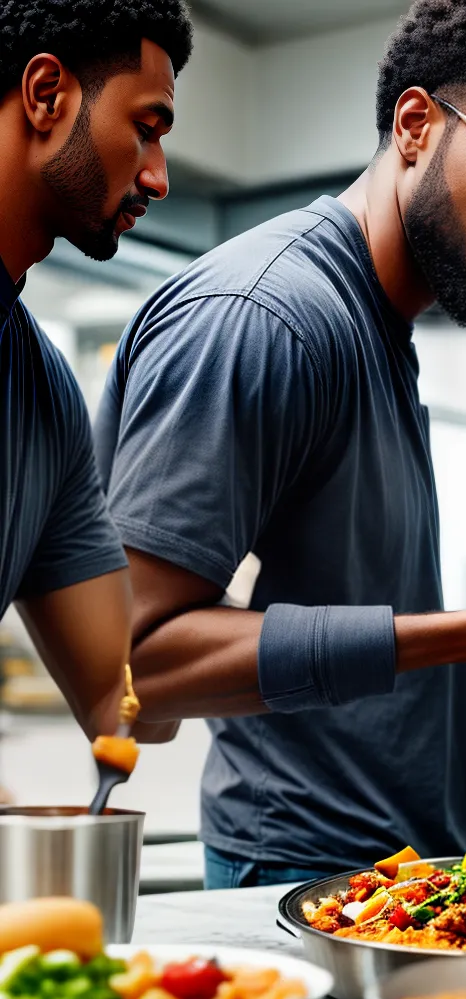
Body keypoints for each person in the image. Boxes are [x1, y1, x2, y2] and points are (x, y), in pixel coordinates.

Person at [94, 0, 466, 888]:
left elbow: (353, 613)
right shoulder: (264, 317)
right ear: (416, 124)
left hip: (408, 868)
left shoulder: (376, 328)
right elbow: (135, 660)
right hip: (301, 875)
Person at [0, 0, 192, 744]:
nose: (158, 177)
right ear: (47, 95)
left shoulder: (44, 398)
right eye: (146, 129)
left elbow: (128, 699)